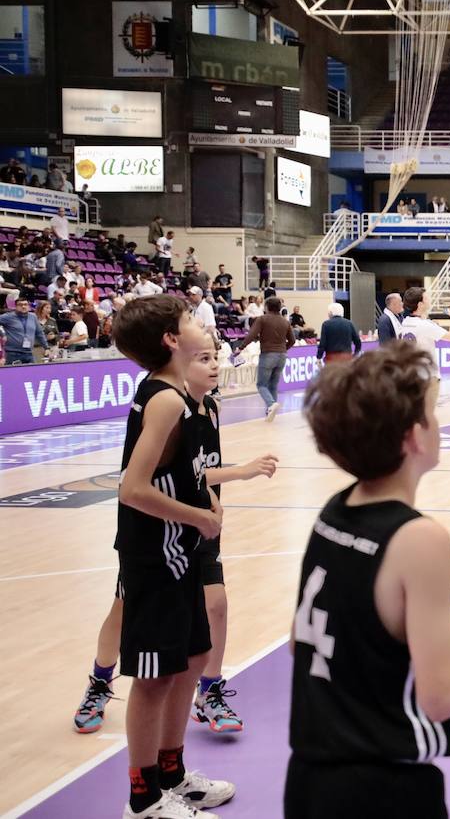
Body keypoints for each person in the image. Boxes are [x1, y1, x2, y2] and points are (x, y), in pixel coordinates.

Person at [289, 341, 450, 817]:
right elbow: (441, 698)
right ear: (414, 437)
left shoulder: (333, 512)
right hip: (381, 788)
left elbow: (302, 644)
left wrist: (428, 680)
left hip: (308, 779)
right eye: (433, 415)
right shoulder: (419, 539)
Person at [73, 328, 279, 742]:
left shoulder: (212, 409)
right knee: (124, 610)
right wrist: (242, 471)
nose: (215, 365)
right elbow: (149, 481)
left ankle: (210, 690)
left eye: (216, 357)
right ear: (181, 362)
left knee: (216, 605)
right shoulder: (167, 407)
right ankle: (100, 681)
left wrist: (213, 501)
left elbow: (202, 469)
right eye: (204, 359)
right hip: (159, 529)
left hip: (198, 524)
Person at [107, 296, 235, 818]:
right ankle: (143, 800)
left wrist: (205, 494)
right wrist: (197, 516)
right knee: (155, 676)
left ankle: (172, 774)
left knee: (190, 661)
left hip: (178, 551)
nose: (196, 323)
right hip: (155, 555)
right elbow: (132, 488)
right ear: (170, 339)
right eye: (186, 320)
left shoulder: (184, 395)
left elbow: (178, 471)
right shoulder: (163, 399)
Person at [240, 296, 292, 421]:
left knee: (261, 385)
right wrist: (284, 349)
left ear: (267, 307)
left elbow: (251, 335)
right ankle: (270, 411)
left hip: (268, 354)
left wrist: (240, 347)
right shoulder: (285, 321)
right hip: (282, 355)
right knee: (273, 385)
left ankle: (271, 404)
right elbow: (293, 340)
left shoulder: (262, 319)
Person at [397, 287, 450, 376]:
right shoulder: (425, 325)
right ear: (420, 304)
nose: (429, 300)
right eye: (426, 298)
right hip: (428, 374)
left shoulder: (405, 322)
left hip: (412, 372)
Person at [1, 297, 46, 364]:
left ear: (28, 306)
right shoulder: (8, 317)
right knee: (12, 374)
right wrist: (2, 334)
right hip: (12, 353)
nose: (23, 306)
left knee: (31, 373)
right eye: (20, 305)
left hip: (29, 353)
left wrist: (46, 347)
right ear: (15, 306)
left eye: (25, 304)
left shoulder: (33, 317)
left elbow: (39, 333)